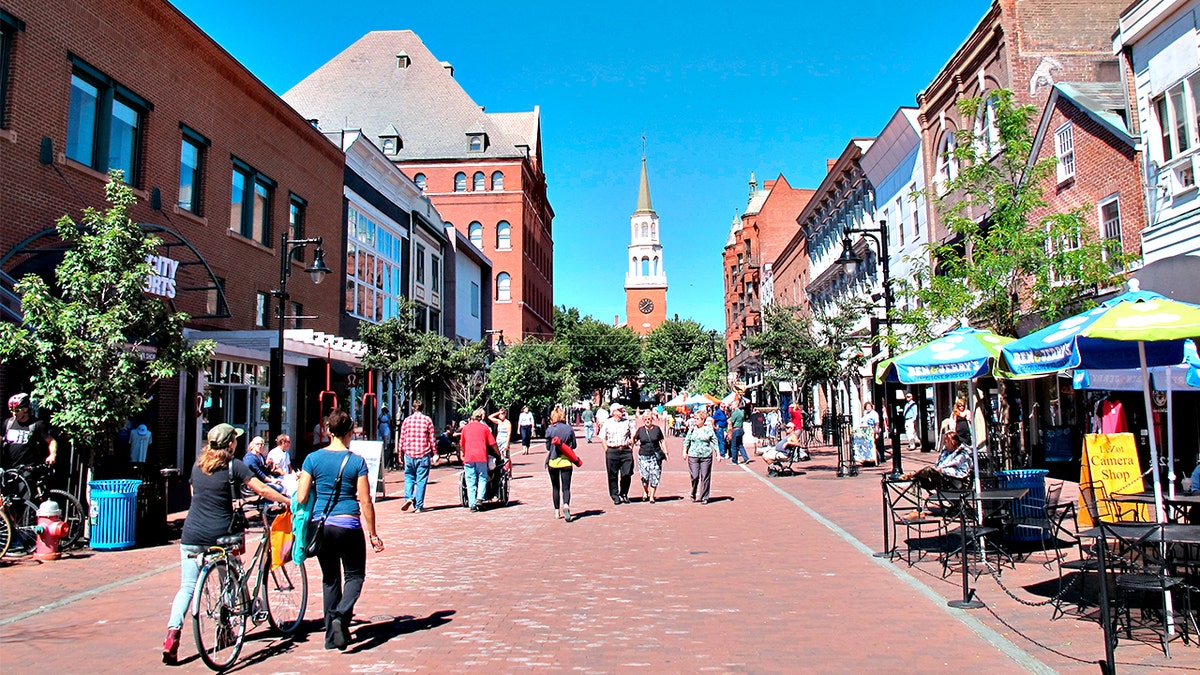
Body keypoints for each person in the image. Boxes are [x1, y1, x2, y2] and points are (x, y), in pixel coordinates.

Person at [162, 423, 290, 664]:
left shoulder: (197, 466)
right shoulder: (234, 466)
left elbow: (195, 496)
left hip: (191, 534)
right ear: (230, 443)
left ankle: (172, 634)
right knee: (229, 579)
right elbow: (261, 488)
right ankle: (226, 627)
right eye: (235, 440)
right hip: (220, 534)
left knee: (187, 587)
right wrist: (286, 500)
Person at [295, 408, 384, 651]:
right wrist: (373, 533)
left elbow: (301, 496)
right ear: (349, 433)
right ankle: (341, 616)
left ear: (327, 431)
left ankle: (330, 638)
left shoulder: (312, 459)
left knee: (330, 579)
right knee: (355, 576)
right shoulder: (356, 461)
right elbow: (365, 500)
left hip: (321, 525)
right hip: (348, 524)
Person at [899, 430, 971, 495]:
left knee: (928, 470)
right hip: (942, 479)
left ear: (953, 442)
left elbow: (961, 472)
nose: (945, 445)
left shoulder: (962, 454)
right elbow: (938, 465)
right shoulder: (945, 452)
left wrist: (942, 470)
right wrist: (938, 469)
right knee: (918, 479)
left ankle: (912, 474)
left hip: (955, 481)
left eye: (946, 442)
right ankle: (917, 503)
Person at [398, 400, 436, 514]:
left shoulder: (406, 421)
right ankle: (419, 505)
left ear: (413, 408)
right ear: (422, 408)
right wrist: (435, 453)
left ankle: (408, 497)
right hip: (423, 454)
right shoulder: (427, 420)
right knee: (421, 480)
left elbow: (402, 438)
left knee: (409, 477)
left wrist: (400, 453)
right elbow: (432, 439)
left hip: (409, 454)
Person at [544, 408, 582, 521]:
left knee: (555, 487)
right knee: (566, 488)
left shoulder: (550, 430)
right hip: (566, 461)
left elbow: (547, 448)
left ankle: (556, 512)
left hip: (553, 462)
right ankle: (566, 504)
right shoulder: (569, 429)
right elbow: (574, 445)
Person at [3, 393, 57, 468]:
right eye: (11, 410)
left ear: (25, 409)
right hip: (9, 469)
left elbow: (51, 441)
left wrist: (52, 455)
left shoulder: (37, 424)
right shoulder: (8, 423)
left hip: (27, 469)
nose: (14, 413)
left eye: (17, 410)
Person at [460, 408, 499, 512]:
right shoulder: (484, 428)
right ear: (480, 417)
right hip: (481, 456)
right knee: (482, 478)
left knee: (470, 480)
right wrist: (498, 452)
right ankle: (479, 499)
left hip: (469, 457)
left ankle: (472, 503)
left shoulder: (466, 428)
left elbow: (462, 444)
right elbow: (492, 443)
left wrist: (463, 453)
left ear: (472, 417)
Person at [600, 403, 635, 505]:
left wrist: (631, 443)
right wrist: (607, 449)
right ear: (614, 412)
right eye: (620, 410)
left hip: (625, 450)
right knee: (612, 475)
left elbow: (633, 433)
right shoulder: (607, 423)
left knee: (627, 473)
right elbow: (603, 437)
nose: (622, 411)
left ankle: (624, 493)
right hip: (612, 450)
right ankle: (615, 495)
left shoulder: (627, 422)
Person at [684, 409, 719, 504]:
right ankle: (693, 491)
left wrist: (718, 454)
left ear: (703, 419)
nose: (695, 421)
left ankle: (704, 497)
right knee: (695, 476)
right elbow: (687, 440)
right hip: (693, 455)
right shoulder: (692, 428)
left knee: (705, 476)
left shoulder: (708, 429)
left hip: (706, 455)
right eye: (695, 419)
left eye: (697, 419)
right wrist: (685, 451)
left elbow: (714, 441)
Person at [635, 411, 667, 503]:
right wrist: (630, 444)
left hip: (655, 456)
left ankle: (652, 496)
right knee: (645, 476)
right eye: (645, 419)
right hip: (643, 456)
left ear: (652, 419)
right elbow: (634, 439)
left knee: (655, 475)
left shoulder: (657, 429)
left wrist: (665, 451)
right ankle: (646, 491)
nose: (647, 421)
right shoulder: (640, 430)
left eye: (649, 419)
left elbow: (662, 440)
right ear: (643, 420)